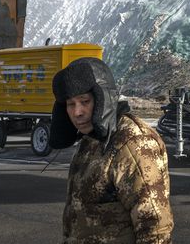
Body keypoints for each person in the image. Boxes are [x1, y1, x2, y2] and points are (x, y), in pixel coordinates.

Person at [50, 57, 174, 243]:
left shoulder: (132, 142)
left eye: (85, 101)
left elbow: (155, 226)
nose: (77, 112)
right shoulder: (91, 139)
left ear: (103, 99)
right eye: (71, 104)